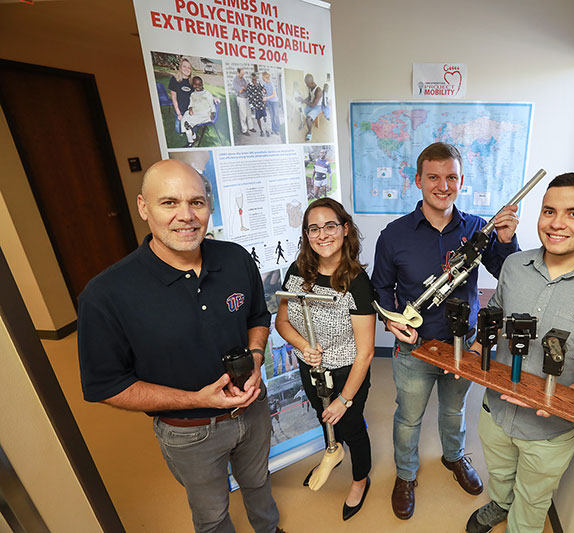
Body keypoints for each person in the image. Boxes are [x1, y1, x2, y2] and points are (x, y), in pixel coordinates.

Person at [77, 159, 285, 533]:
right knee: (212, 515)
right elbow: (108, 387)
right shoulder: (106, 294)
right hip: (189, 433)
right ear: (144, 207)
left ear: (209, 206)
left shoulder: (236, 258)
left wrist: (255, 357)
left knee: (258, 482)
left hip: (253, 410)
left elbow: (257, 316)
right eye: (169, 203)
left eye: (197, 202)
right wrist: (197, 399)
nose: (186, 216)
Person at [465, 173, 574, 533]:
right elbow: (494, 319)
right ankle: (499, 504)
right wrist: (469, 359)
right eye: (549, 211)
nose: (557, 223)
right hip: (495, 409)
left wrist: (561, 398)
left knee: (533, 499)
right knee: (498, 473)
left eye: (573, 214)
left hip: (550, 431)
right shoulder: (513, 266)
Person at [371, 142, 521, 520]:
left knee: (454, 411)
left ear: (461, 181)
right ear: (418, 180)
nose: (443, 185)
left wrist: (506, 241)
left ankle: (454, 457)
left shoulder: (476, 229)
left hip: (462, 346)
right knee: (409, 416)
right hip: (415, 349)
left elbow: (508, 275)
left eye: (451, 177)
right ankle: (405, 475)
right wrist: (391, 322)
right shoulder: (393, 235)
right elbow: (379, 291)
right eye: (434, 177)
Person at [275, 198, 376, 521]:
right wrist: (304, 347)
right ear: (306, 234)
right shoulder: (297, 272)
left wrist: (345, 400)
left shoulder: (357, 282)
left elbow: (366, 352)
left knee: (351, 426)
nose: (322, 235)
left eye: (330, 226)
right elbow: (282, 322)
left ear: (345, 229)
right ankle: (333, 450)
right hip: (312, 367)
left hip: (349, 372)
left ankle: (360, 479)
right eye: (313, 228)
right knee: (324, 417)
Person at [182, 76, 219, 147]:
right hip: (195, 112)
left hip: (204, 113)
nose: (197, 86)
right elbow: (191, 103)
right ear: (193, 85)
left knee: (189, 122)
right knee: (186, 118)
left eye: (199, 85)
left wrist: (212, 113)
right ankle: (193, 137)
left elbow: (212, 105)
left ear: (202, 84)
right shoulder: (193, 94)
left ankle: (191, 141)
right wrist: (190, 109)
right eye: (195, 85)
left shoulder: (206, 93)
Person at [295, 73, 322, 142]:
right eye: (306, 84)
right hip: (312, 105)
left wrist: (303, 101)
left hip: (317, 107)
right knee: (304, 111)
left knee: (307, 119)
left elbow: (313, 104)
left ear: (312, 82)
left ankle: (309, 132)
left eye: (307, 84)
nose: (306, 86)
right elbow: (310, 97)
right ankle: (310, 121)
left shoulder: (318, 91)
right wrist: (302, 100)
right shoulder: (310, 88)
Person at [169, 57, 193, 130]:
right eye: (184, 66)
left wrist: (213, 98)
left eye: (189, 67)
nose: (186, 69)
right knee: (179, 129)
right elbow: (174, 98)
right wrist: (178, 113)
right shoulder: (174, 80)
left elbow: (201, 94)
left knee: (191, 129)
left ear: (191, 70)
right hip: (180, 109)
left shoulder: (193, 81)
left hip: (190, 110)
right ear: (180, 67)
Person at [233, 68, 256, 136]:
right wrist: (243, 88)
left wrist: (244, 87)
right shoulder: (235, 81)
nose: (242, 75)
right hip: (241, 98)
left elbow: (247, 87)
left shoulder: (243, 79)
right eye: (241, 74)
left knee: (249, 114)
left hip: (246, 98)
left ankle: (251, 127)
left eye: (243, 74)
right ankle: (244, 130)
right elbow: (240, 91)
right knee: (243, 115)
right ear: (238, 73)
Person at [246, 72, 268, 137]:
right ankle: (261, 130)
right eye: (253, 79)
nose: (255, 81)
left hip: (261, 102)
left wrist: (264, 90)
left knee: (264, 117)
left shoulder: (259, 83)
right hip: (256, 104)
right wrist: (251, 106)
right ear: (251, 79)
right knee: (258, 118)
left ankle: (266, 130)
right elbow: (249, 96)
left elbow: (263, 89)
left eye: (255, 79)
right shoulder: (249, 85)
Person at [260, 72, 281, 136]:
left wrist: (266, 98)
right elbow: (266, 92)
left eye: (263, 77)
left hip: (274, 102)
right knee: (271, 116)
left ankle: (278, 130)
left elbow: (274, 95)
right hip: (269, 102)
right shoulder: (265, 84)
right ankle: (273, 129)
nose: (262, 78)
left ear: (265, 77)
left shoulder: (272, 84)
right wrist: (264, 91)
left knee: (276, 116)